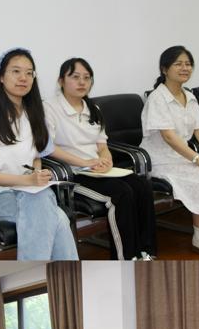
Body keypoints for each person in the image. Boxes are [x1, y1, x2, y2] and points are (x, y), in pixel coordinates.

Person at [0, 47, 78, 260]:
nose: (23, 78)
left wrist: (37, 175)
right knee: (55, 218)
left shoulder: (35, 116)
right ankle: (50, 274)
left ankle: (38, 274)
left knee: (53, 214)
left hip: (28, 191)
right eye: (16, 71)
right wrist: (29, 181)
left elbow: (36, 158)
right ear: (1, 77)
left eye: (29, 73)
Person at [45, 57, 157, 259]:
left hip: (97, 170)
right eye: (75, 77)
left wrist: (107, 160)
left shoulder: (93, 109)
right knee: (121, 194)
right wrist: (85, 163)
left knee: (142, 186)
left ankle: (146, 252)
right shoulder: (49, 109)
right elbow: (48, 149)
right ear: (61, 81)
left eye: (87, 78)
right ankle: (125, 258)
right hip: (73, 174)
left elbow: (102, 145)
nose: (82, 82)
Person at [140, 45, 199, 259]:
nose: (185, 68)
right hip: (160, 159)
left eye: (188, 64)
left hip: (182, 155)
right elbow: (169, 137)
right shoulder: (158, 98)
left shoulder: (189, 96)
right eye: (178, 64)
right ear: (164, 69)